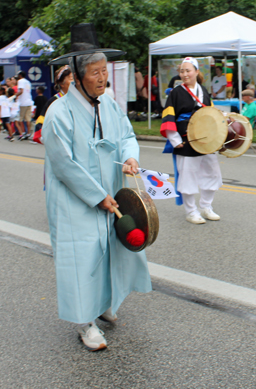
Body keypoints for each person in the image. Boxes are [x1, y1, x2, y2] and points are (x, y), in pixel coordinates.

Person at [43, 23, 151, 352]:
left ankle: (104, 304)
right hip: (76, 201)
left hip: (111, 195)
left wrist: (130, 158)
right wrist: (96, 196)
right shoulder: (58, 113)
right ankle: (85, 322)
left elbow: (127, 137)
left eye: (105, 70)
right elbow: (64, 164)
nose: (103, 78)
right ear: (76, 75)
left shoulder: (110, 105)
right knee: (83, 257)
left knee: (109, 252)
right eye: (95, 72)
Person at [160, 57, 222, 225]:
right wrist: (175, 139)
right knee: (187, 175)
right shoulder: (175, 93)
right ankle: (191, 211)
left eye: (188, 70)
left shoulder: (204, 90)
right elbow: (169, 116)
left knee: (213, 172)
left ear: (196, 71)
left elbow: (211, 114)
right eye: (182, 71)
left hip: (205, 140)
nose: (185, 74)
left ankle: (206, 207)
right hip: (185, 140)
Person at [32, 65, 74, 144]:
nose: (75, 82)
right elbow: (41, 122)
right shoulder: (54, 101)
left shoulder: (80, 99)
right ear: (62, 83)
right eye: (72, 79)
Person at [15, 71, 33, 140]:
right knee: (28, 119)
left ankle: (21, 133)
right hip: (29, 101)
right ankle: (28, 133)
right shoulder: (28, 82)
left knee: (20, 119)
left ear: (20, 75)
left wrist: (15, 95)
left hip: (23, 102)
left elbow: (21, 91)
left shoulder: (20, 81)